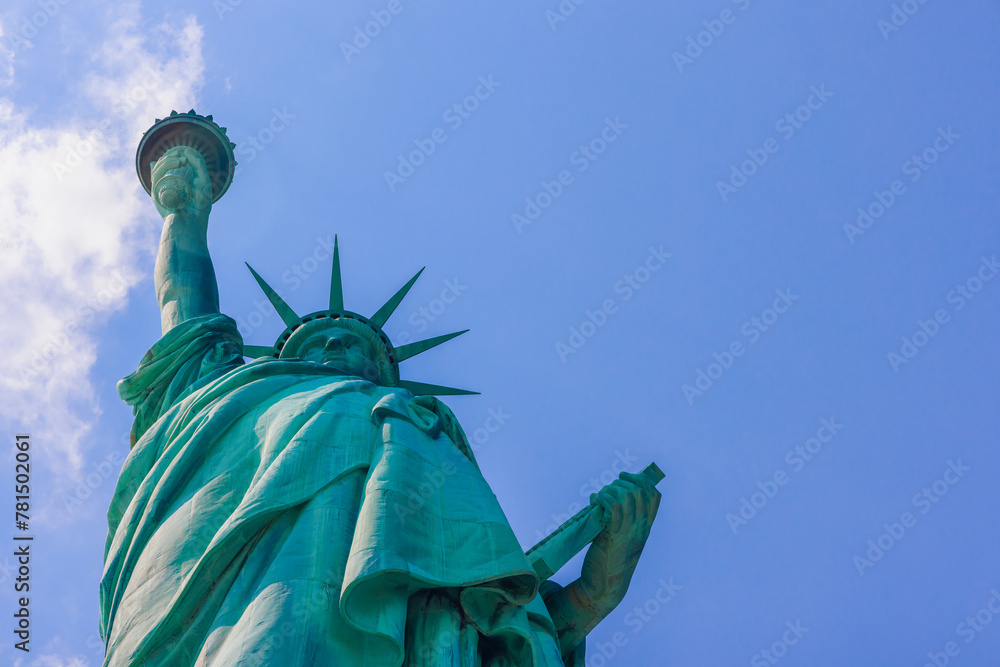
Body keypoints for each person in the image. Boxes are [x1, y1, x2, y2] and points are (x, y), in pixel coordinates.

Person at [100, 145, 661, 666]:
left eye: (357, 346)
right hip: (214, 601)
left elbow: (489, 614)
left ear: (385, 371)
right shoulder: (231, 392)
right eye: (317, 342)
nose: (337, 346)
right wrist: (184, 214)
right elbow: (188, 310)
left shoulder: (420, 432)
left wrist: (596, 591)